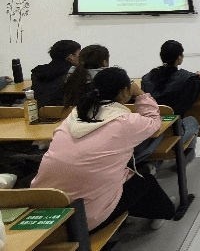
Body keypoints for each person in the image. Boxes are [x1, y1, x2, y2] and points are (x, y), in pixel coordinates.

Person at [31, 67, 175, 231]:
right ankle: (167, 211)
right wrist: (141, 94)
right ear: (124, 91)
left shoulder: (76, 114)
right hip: (81, 221)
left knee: (118, 177)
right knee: (143, 182)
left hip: (44, 208)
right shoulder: (125, 122)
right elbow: (154, 122)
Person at [141, 40, 200, 161]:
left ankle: (154, 163)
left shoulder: (147, 79)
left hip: (151, 131)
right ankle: (186, 156)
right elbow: (187, 102)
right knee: (192, 120)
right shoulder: (189, 80)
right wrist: (198, 78)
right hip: (174, 131)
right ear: (179, 58)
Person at [31, 40, 81, 106]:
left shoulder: (38, 71)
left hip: (39, 109)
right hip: (64, 110)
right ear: (71, 57)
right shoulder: (73, 71)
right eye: (79, 54)